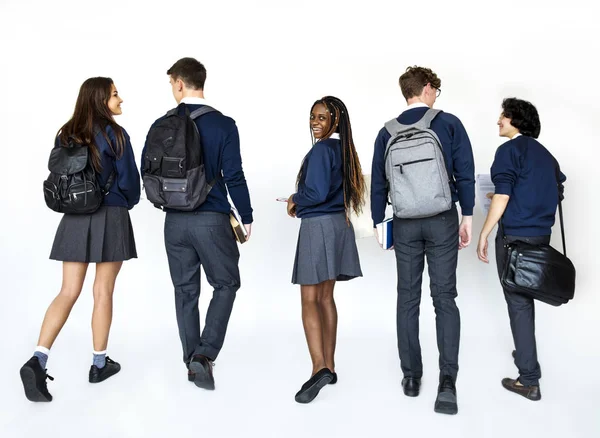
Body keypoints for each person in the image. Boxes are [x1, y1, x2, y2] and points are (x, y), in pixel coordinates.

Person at [19, 77, 140, 402]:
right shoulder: (115, 134)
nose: (120, 99)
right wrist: (123, 202)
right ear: (101, 99)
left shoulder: (66, 133)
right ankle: (99, 364)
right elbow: (130, 181)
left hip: (73, 218)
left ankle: (38, 359)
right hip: (110, 215)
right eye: (115, 94)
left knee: (68, 291)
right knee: (103, 291)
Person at [141, 57, 253, 390]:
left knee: (185, 291)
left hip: (174, 222)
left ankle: (192, 361)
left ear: (178, 83)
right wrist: (246, 216)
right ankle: (204, 356)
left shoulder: (161, 123)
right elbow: (234, 174)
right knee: (226, 283)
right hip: (211, 219)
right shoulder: (223, 125)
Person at [371, 66, 475, 415]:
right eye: (436, 90)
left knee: (407, 299)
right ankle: (447, 380)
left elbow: (377, 184)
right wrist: (468, 216)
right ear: (428, 89)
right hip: (442, 219)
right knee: (444, 298)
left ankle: (411, 377)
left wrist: (376, 222)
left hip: (403, 224)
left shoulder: (386, 133)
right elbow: (465, 171)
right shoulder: (448, 123)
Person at [477, 97, 566, 401]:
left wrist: (484, 234)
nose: (499, 121)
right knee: (524, 302)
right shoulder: (546, 155)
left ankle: (529, 379)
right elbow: (554, 189)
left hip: (514, 238)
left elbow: (503, 196)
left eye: (503, 116)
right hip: (541, 237)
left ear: (515, 119)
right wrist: (508, 196)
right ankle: (525, 356)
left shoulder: (508, 150)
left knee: (519, 304)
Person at [286, 96, 365, 404]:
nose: (315, 122)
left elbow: (315, 192)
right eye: (312, 117)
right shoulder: (342, 150)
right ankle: (329, 366)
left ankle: (319, 367)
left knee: (309, 299)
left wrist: (295, 199)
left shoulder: (321, 150)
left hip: (318, 226)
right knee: (325, 297)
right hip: (337, 224)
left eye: (322, 117)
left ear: (335, 120)